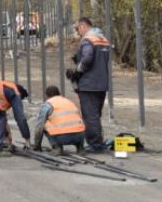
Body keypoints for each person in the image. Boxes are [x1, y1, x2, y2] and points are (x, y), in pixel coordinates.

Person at [66, 17, 111, 153]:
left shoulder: (88, 40)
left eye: (77, 29)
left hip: (89, 84)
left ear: (83, 26)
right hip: (101, 83)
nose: (78, 33)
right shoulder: (102, 39)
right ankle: (97, 141)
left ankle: (95, 145)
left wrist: (77, 72)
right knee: (96, 115)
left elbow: (87, 58)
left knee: (90, 115)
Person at [33, 85, 86, 156]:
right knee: (77, 122)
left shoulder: (48, 104)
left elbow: (39, 127)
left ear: (47, 95)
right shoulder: (69, 102)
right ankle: (80, 148)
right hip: (79, 137)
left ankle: (57, 147)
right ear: (59, 93)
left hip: (62, 138)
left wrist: (37, 145)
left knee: (44, 123)